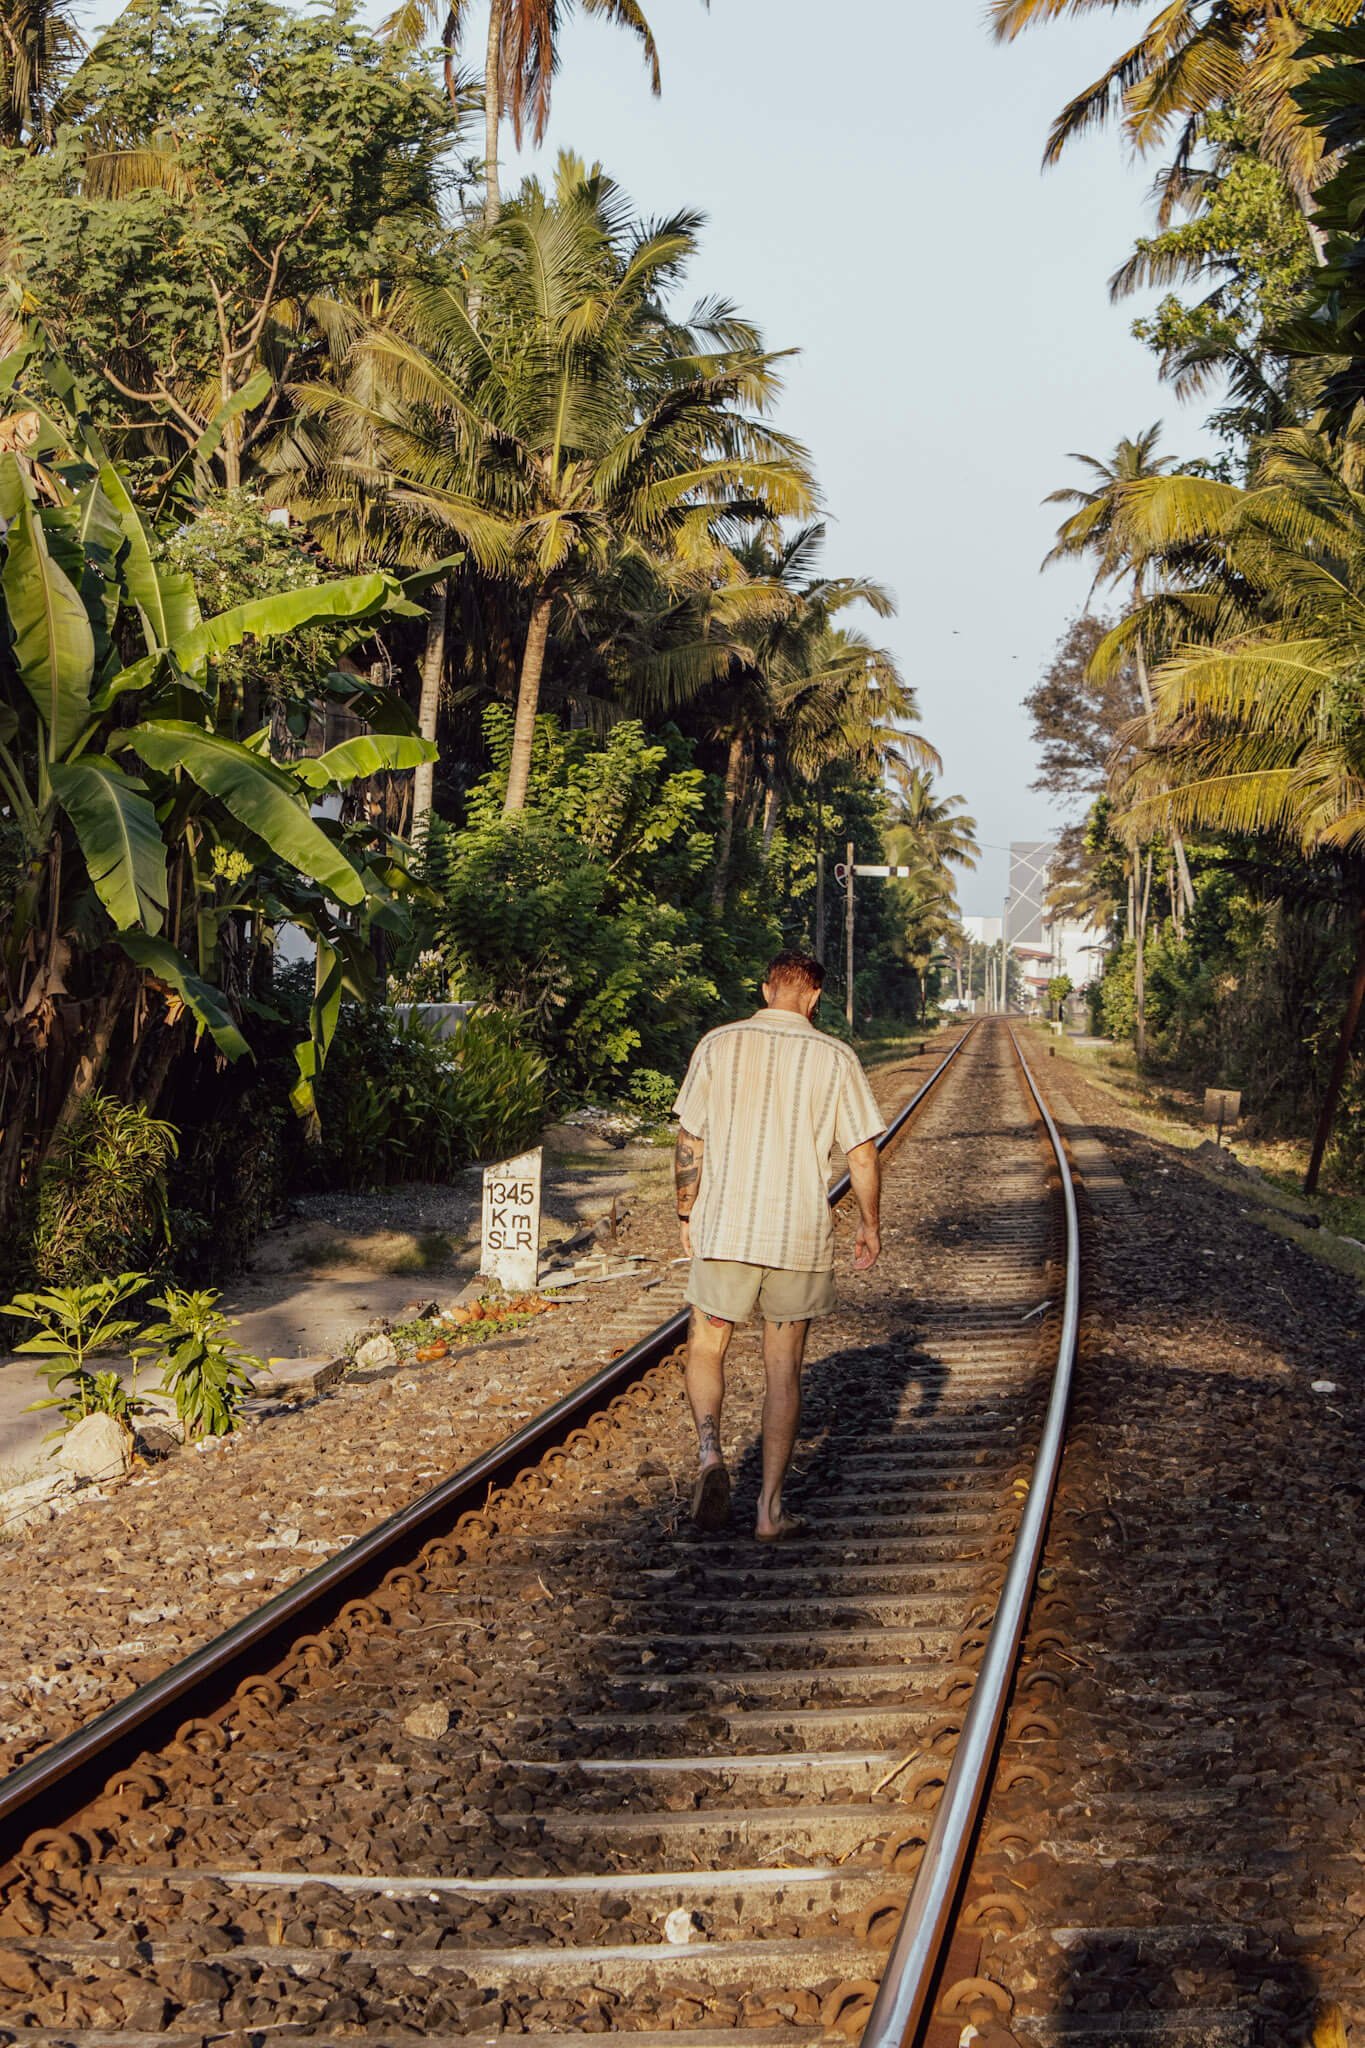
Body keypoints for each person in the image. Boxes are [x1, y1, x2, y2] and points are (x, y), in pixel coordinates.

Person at [671, 949, 884, 1540]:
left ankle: (711, 1455)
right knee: (783, 1371)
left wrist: (686, 1211)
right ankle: (769, 1510)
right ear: (814, 998)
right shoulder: (836, 1057)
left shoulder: (717, 1044)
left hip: (727, 1227)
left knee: (708, 1345)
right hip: (798, 1236)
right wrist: (870, 1223)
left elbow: (690, 1138)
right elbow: (861, 1153)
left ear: (767, 991)